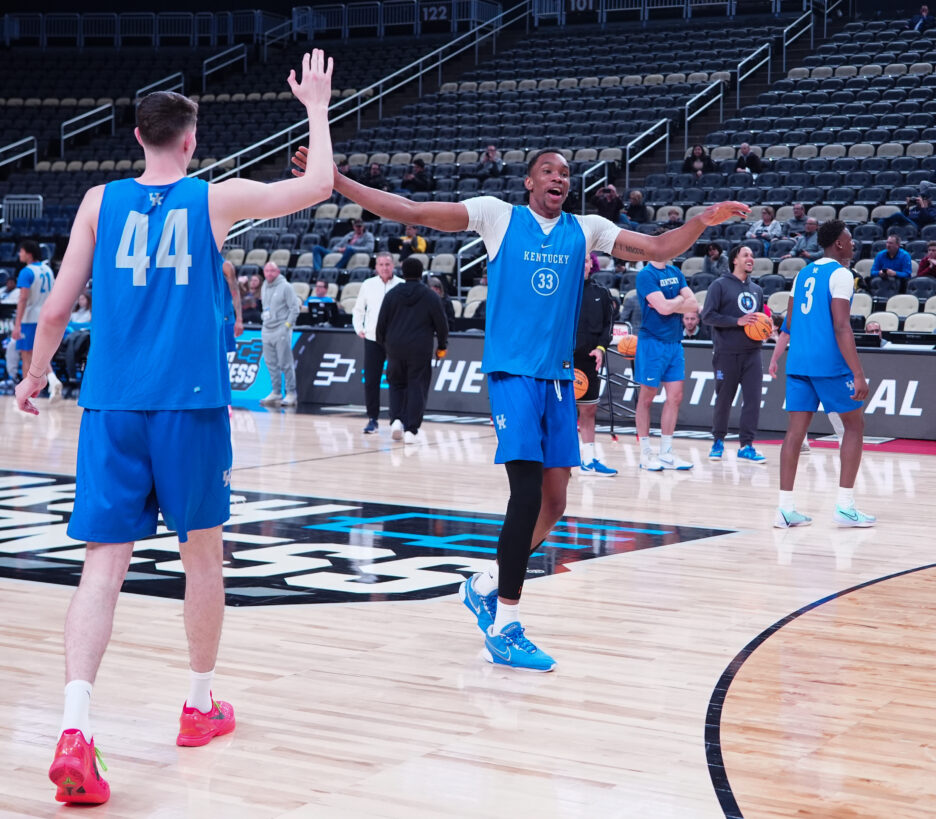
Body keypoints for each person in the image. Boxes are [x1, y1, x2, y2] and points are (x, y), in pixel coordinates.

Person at [13, 51, 335, 806]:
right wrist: (316, 107)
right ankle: (197, 705)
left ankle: (75, 723)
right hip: (187, 406)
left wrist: (33, 375)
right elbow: (317, 186)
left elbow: (57, 307)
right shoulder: (211, 199)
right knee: (203, 557)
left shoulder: (98, 201)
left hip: (112, 405)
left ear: (136, 136)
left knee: (103, 565)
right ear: (189, 141)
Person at [291, 142, 748, 669]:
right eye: (548, 171)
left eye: (565, 173)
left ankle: (484, 584)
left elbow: (659, 246)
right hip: (512, 376)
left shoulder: (588, 228)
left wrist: (702, 221)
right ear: (529, 183)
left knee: (555, 504)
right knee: (526, 495)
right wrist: (339, 182)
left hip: (557, 381)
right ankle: (505, 625)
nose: (559, 178)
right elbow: (413, 211)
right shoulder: (497, 217)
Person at [766, 220, 875, 529]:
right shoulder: (841, 274)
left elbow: (788, 322)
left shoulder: (802, 273)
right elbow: (842, 325)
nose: (854, 244)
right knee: (854, 427)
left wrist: (782, 356)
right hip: (828, 362)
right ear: (838, 244)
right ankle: (845, 507)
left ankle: (785, 509)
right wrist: (858, 372)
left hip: (799, 362)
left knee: (795, 434)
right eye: (850, 239)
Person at [700, 244, 768, 463]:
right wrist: (736, 322)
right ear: (734, 260)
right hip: (726, 353)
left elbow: (758, 319)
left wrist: (766, 328)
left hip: (753, 353)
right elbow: (708, 316)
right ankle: (718, 441)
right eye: (746, 254)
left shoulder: (757, 289)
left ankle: (747, 445)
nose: (751, 258)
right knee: (724, 399)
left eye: (752, 255)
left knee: (753, 400)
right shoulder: (718, 285)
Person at [634, 257, 699, 472]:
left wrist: (671, 304)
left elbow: (694, 305)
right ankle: (645, 454)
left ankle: (666, 453)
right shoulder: (646, 275)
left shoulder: (675, 272)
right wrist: (678, 301)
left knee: (676, 396)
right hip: (652, 342)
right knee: (646, 397)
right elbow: (662, 309)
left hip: (674, 342)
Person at [375, 256, 448, 443]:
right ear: (421, 273)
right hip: (420, 348)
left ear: (402, 272)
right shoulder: (430, 296)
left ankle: (397, 420)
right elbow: (442, 324)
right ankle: (411, 430)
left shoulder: (392, 294)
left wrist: (384, 344)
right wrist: (441, 346)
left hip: (395, 346)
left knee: (396, 384)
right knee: (417, 386)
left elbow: (381, 323)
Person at [574, 252, 617, 476]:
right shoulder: (560, 290)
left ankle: (589, 459)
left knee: (589, 410)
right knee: (562, 413)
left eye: (586, 260)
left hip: (590, 359)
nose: (583, 264)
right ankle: (564, 459)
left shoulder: (601, 292)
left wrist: (601, 349)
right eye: (579, 260)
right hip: (563, 360)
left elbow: (607, 327)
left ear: (592, 264)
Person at [351, 252, 403, 433]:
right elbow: (358, 310)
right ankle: (372, 418)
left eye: (387, 264)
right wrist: (359, 328)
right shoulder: (368, 284)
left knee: (396, 379)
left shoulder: (401, 285)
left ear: (393, 266)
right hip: (372, 339)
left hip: (395, 340)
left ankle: (397, 418)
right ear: (376, 267)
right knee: (371, 380)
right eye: (381, 264)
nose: (384, 268)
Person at [12, 240, 64, 401]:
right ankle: (52, 380)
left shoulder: (26, 272)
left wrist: (17, 324)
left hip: (30, 318)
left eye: (21, 251)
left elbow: (23, 299)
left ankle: (27, 396)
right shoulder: (48, 269)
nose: (19, 254)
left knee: (27, 356)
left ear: (28, 253)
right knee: (40, 355)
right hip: (46, 316)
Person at [258, 261, 300, 407]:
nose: (269, 274)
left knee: (285, 363)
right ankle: (276, 391)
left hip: (281, 329)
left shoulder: (286, 287)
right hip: (267, 329)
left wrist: (287, 326)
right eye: (266, 271)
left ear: (278, 272)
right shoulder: (264, 286)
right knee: (270, 363)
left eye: (272, 271)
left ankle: (291, 393)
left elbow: (295, 309)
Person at [222, 258, 243, 366]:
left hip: (224, 318)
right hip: (205, 319)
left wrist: (239, 318)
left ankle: (223, 383)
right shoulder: (199, 264)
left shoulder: (226, 266)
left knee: (222, 359)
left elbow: (235, 292)